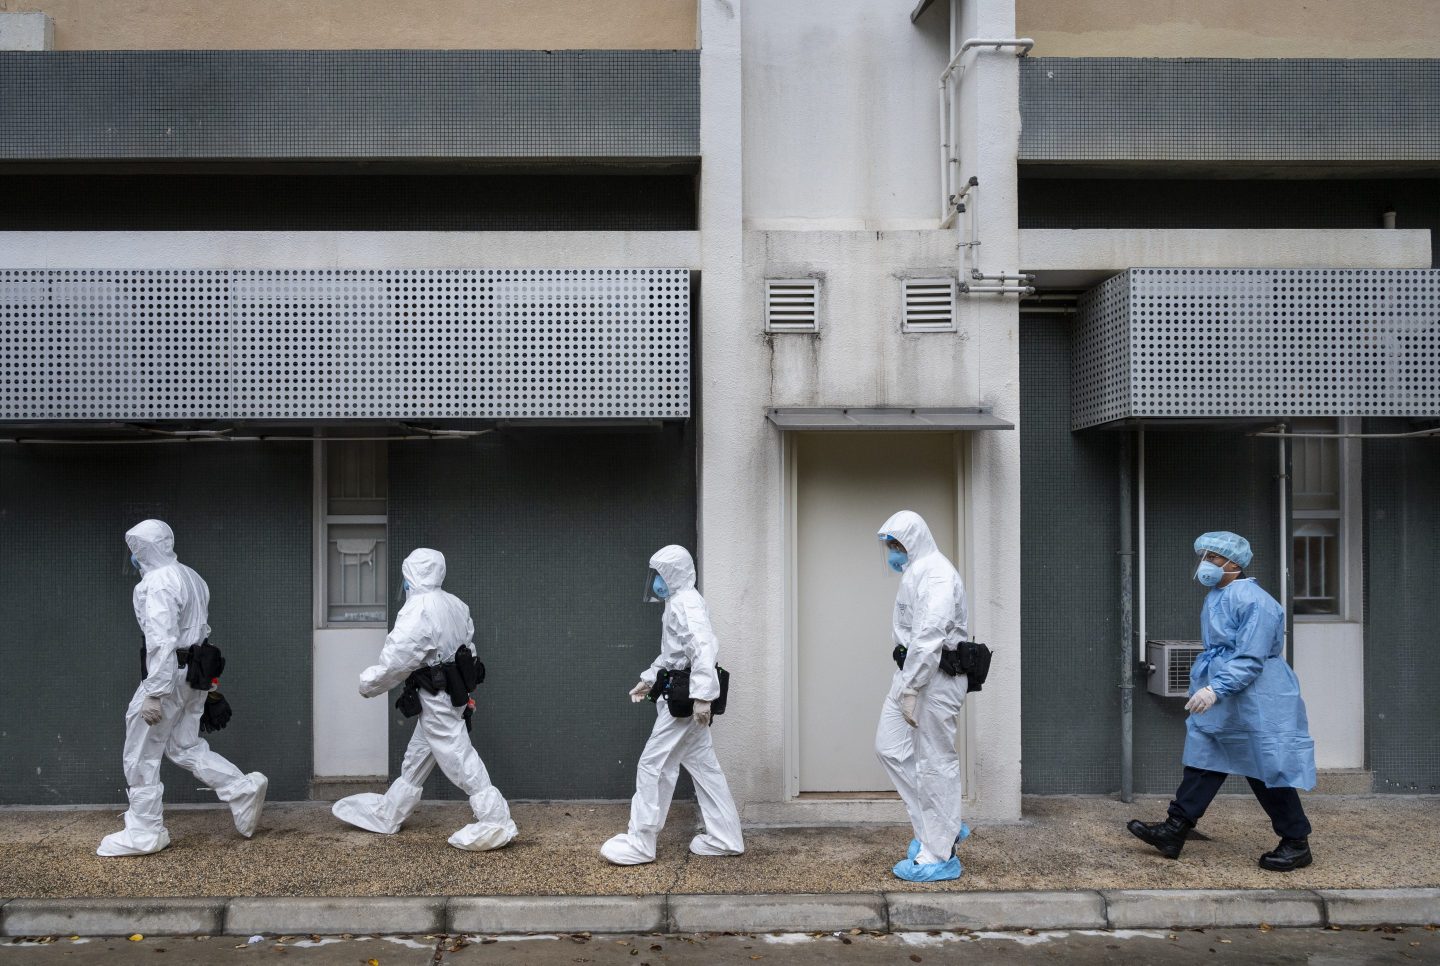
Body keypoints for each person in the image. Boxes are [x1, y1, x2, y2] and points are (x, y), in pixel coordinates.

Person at [1128, 531, 1316, 872]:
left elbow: (1250, 657)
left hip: (1256, 694)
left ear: (1235, 562)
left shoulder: (1255, 601)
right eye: (1204, 557)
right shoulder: (1220, 594)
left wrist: (1217, 688)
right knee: (1205, 756)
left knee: (1264, 767)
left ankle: (1296, 841)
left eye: (1214, 558)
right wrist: (1213, 684)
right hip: (1227, 688)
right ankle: (1175, 829)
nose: (1206, 564)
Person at [98, 520, 267, 857]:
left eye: (135, 550)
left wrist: (154, 693)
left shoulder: (158, 582)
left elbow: (161, 641)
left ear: (143, 550)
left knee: (141, 751)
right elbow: (199, 628)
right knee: (183, 745)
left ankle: (145, 831)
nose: (133, 557)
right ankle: (240, 787)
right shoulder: (191, 576)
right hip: (195, 673)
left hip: (170, 675)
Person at [331, 548, 516, 851]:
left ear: (411, 574)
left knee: (458, 755)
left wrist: (368, 684)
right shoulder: (455, 604)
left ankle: (495, 819)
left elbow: (398, 659)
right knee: (418, 755)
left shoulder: (418, 608)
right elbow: (467, 648)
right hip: (452, 693)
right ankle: (390, 813)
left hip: (437, 696)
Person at [600, 545, 745, 865]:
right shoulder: (679, 602)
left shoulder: (686, 604)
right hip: (685, 696)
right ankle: (726, 837)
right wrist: (650, 679)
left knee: (653, 765)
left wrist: (703, 696)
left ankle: (641, 841)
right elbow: (673, 655)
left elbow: (703, 648)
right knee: (705, 768)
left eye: (661, 575)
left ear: (674, 574)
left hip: (684, 702)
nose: (656, 583)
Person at [876, 510, 972, 883]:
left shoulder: (936, 573)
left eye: (898, 545)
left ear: (913, 542)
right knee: (889, 748)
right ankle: (939, 827)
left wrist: (913, 686)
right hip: (911, 675)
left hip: (936, 679)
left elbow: (931, 634)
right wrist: (908, 682)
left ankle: (938, 852)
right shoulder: (916, 572)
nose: (893, 554)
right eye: (890, 547)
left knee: (935, 762)